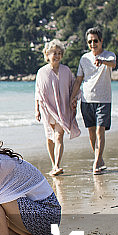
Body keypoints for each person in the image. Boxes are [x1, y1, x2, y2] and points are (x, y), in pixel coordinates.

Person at [70, 27, 116, 174]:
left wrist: (101, 60)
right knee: (91, 132)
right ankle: (99, 158)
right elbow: (78, 80)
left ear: (101, 41)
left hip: (104, 99)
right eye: (89, 41)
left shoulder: (109, 56)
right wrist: (72, 98)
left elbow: (112, 64)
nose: (93, 44)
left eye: (95, 41)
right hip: (86, 100)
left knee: (100, 130)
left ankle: (96, 162)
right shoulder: (84, 59)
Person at [35, 39, 81, 176]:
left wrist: (73, 99)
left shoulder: (66, 70)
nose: (57, 55)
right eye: (54, 53)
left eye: (59, 53)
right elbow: (38, 92)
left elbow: (73, 87)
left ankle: (56, 165)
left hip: (63, 109)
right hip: (47, 110)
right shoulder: (42, 72)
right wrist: (36, 109)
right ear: (47, 54)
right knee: (50, 137)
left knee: (59, 136)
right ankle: (53, 164)